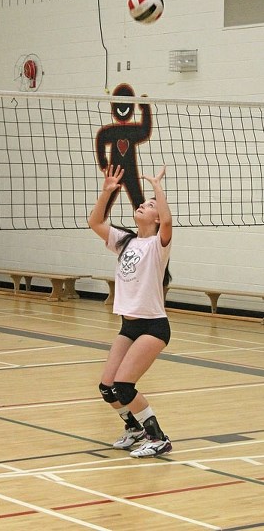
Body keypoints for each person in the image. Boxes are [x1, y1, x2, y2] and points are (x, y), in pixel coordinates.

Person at [88, 164, 172, 458]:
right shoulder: (125, 241)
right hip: (129, 325)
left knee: (125, 385)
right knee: (108, 387)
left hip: (153, 327)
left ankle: (158, 437)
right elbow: (96, 222)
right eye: (143, 202)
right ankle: (134, 429)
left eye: (149, 206)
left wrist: (157, 187)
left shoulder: (157, 246)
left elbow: (169, 221)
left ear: (157, 217)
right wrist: (106, 191)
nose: (142, 205)